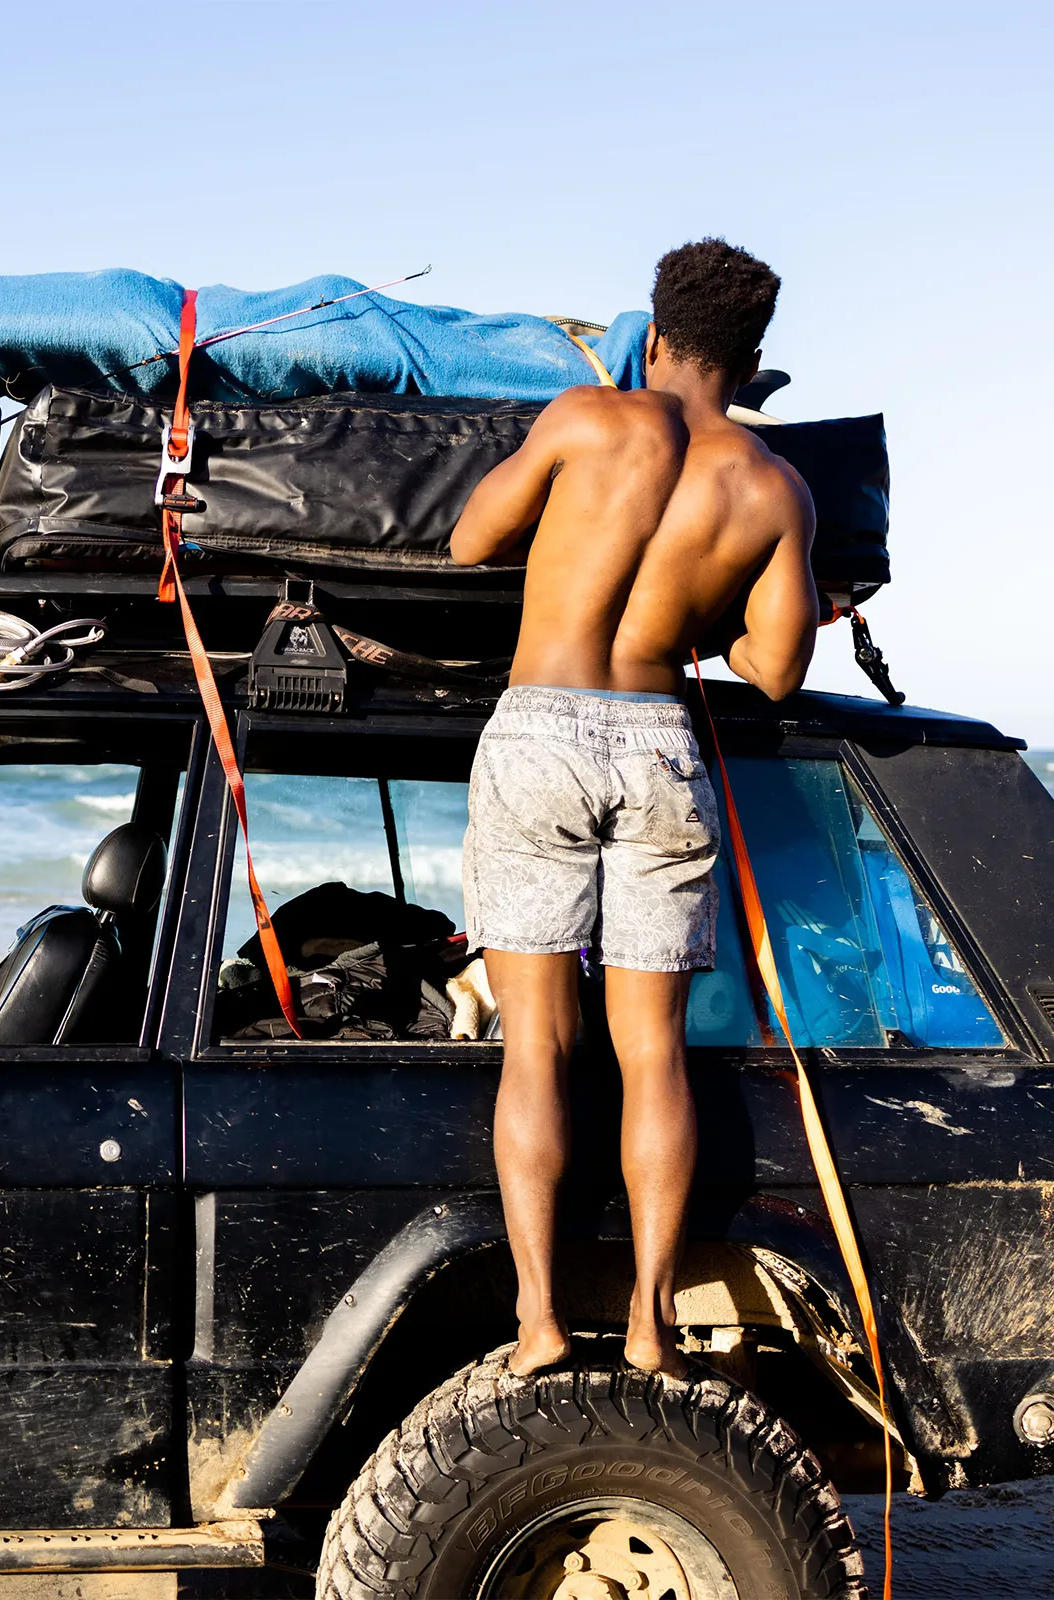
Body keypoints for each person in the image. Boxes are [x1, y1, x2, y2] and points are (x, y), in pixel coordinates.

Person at [449, 239, 818, 1378]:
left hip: (542, 729)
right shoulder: (771, 487)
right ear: (750, 362)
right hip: (660, 743)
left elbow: (470, 539)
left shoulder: (584, 417)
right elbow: (774, 670)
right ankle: (656, 1325)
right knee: (650, 1052)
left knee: (538, 1048)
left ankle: (540, 1319)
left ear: (651, 334)